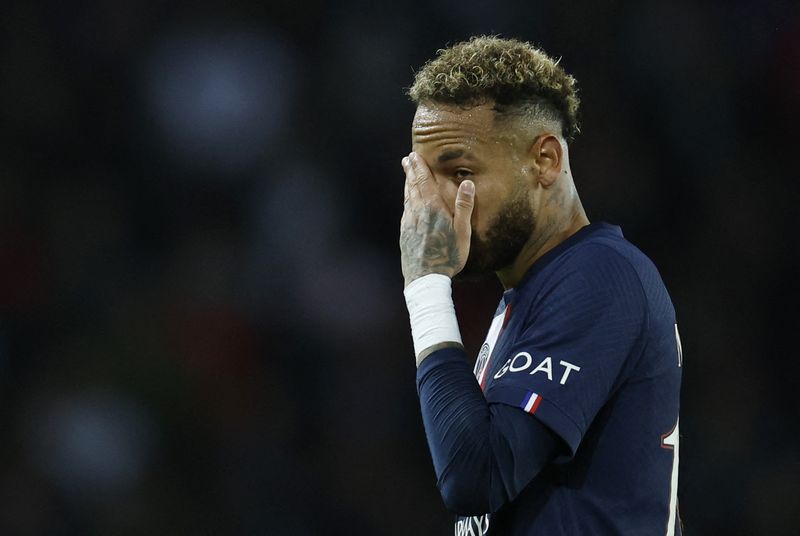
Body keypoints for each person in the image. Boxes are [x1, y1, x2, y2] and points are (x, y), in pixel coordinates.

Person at [399, 36, 682, 535]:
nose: (434, 205)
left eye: (460, 172)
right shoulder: (530, 295)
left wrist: (425, 285)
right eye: (426, 176)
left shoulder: (600, 274)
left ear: (546, 160)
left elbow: (475, 475)